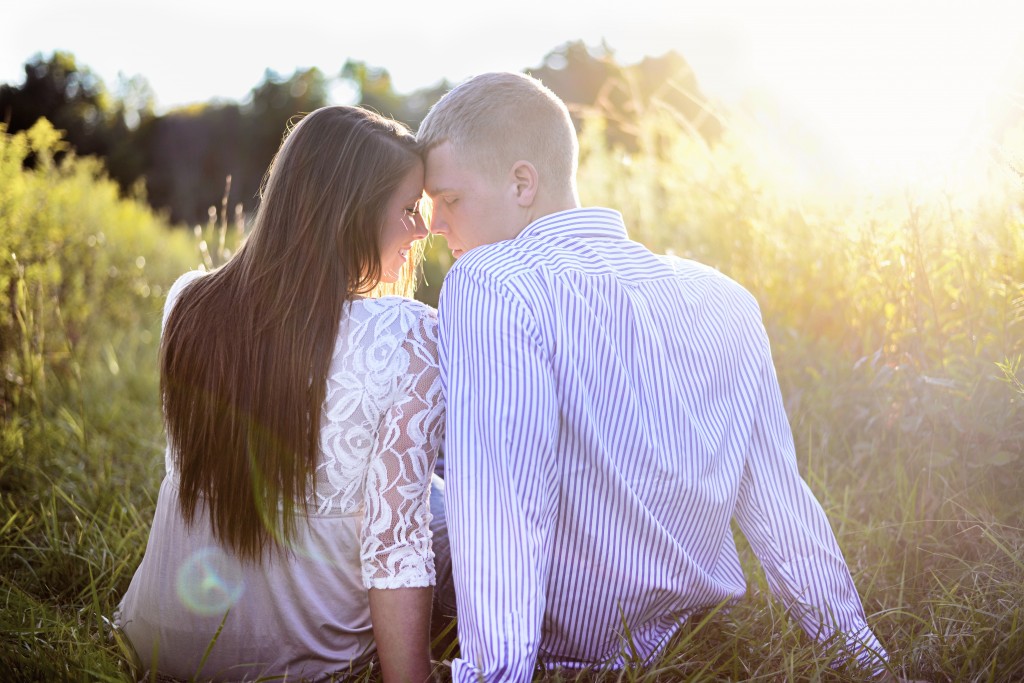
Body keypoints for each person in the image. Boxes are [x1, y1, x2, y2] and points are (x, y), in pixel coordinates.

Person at [417, 72, 890, 682]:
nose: (433, 224)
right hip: (697, 628)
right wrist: (859, 654)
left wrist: (497, 673)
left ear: (522, 182)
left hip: (571, 635)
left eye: (450, 200)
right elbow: (778, 499)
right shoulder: (723, 297)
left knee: (399, 474)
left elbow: (506, 501)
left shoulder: (492, 281)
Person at [115, 105, 450, 682]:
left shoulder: (187, 301)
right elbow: (396, 543)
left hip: (158, 641)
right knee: (448, 504)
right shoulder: (409, 334)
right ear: (350, 213)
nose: (421, 231)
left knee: (431, 484)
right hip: (307, 663)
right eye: (407, 210)